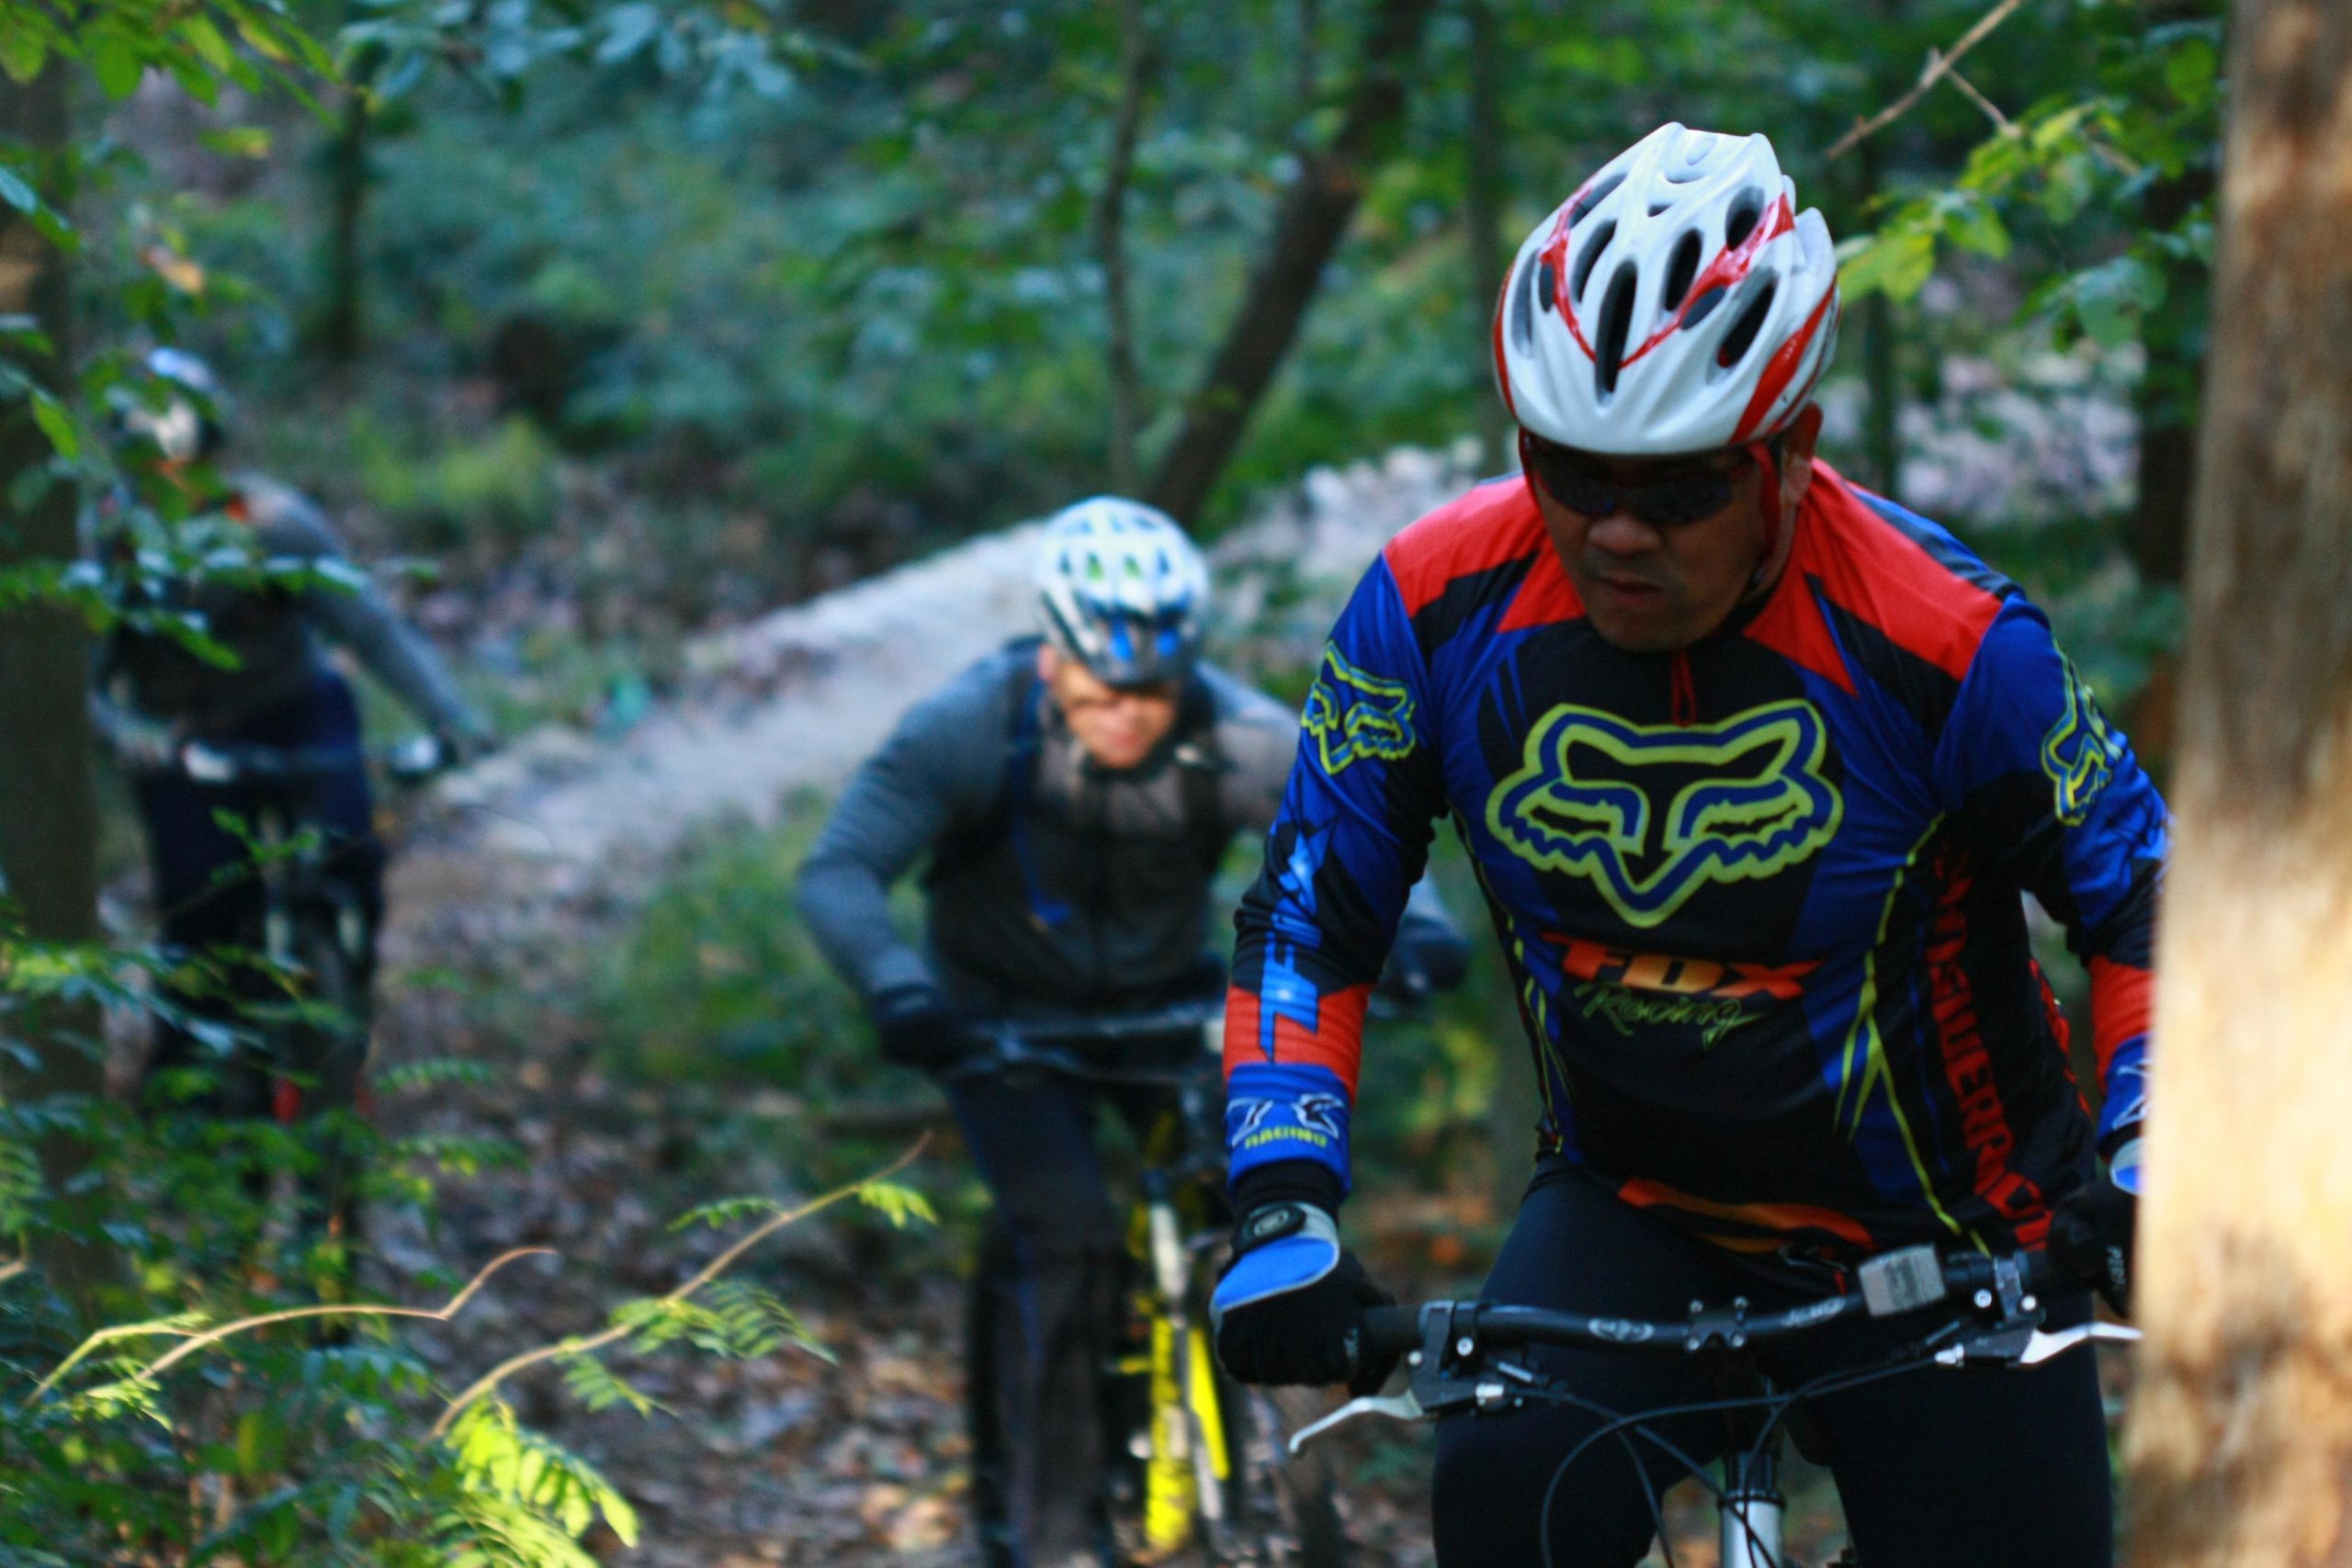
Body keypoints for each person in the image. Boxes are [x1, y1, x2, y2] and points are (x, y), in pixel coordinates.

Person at [1207, 124, 2161, 1568]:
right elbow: (1306, 917)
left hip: (1956, 1231)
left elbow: (2146, 905)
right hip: (1632, 1212)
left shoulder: (1947, 639)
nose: (1616, 532)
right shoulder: (1429, 606)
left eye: (1680, 488)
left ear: (1790, 452)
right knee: (1501, 1494)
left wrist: (2150, 1147)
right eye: (1571, 472)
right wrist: (1285, 1195)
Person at [797, 496, 1465, 1568]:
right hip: (1002, 1026)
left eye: (1154, 690)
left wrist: (1420, 935)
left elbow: (1360, 836)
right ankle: (1053, 1535)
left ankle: (1277, 1464)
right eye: (1104, 690)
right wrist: (897, 988)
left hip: (1170, 1010)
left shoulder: (1231, 731)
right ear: (1053, 656)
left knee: (1261, 1197)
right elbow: (840, 870)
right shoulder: (969, 728)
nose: (1130, 713)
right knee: (1066, 1235)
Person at [93, 347, 493, 1123]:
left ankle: (341, 991)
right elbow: (78, 678)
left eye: (191, 463)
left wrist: (451, 717)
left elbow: (372, 628)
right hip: (183, 743)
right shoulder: (110, 550)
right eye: (153, 469)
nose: (177, 487)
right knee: (200, 909)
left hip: (298, 710)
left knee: (349, 851)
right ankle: (185, 1081)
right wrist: (128, 731)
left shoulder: (277, 526)